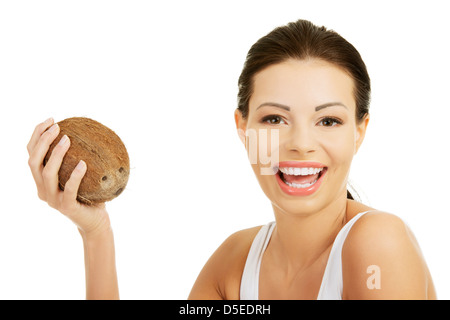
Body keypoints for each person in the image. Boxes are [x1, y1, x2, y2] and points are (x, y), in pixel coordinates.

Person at [27, 19, 436, 300]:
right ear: (243, 127)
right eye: (274, 118)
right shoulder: (236, 264)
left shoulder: (376, 242)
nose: (300, 144)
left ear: (359, 131)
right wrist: (96, 232)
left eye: (328, 120)